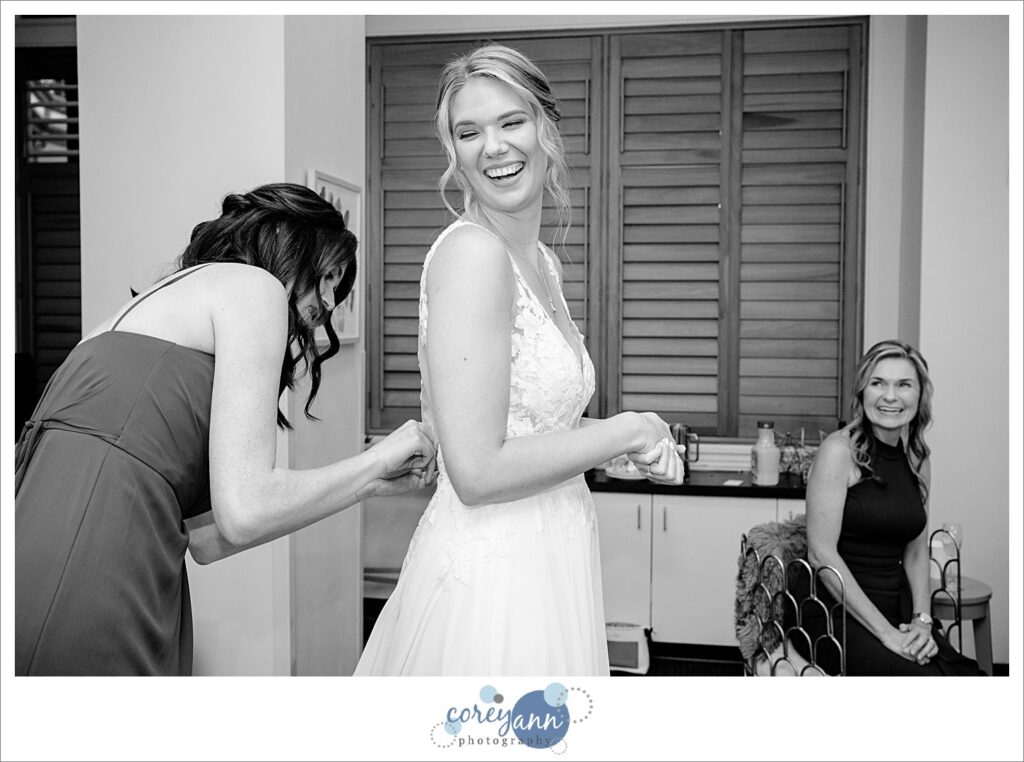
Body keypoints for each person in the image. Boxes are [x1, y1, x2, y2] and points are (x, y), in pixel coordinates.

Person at [355, 44, 684, 676]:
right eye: (469, 132)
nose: (494, 147)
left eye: (511, 122)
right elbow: (476, 469)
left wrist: (621, 445)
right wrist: (627, 426)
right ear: (454, 152)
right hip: (494, 575)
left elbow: (532, 428)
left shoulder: (541, 264)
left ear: (546, 127)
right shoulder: (473, 255)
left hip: (552, 547)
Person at [15, 183, 438, 676]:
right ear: (287, 243)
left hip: (38, 547)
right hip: (99, 560)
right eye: (326, 276)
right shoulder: (253, 288)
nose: (327, 301)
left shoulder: (153, 312)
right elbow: (246, 512)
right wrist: (377, 459)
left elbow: (209, 540)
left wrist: (371, 483)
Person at [804, 339, 983, 675]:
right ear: (862, 393)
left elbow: (916, 549)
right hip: (837, 610)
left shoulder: (918, 457)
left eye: (904, 385)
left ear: (919, 395)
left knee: (965, 676)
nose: (890, 396)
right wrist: (887, 635)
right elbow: (821, 555)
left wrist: (922, 621)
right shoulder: (838, 451)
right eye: (878, 383)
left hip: (896, 606)